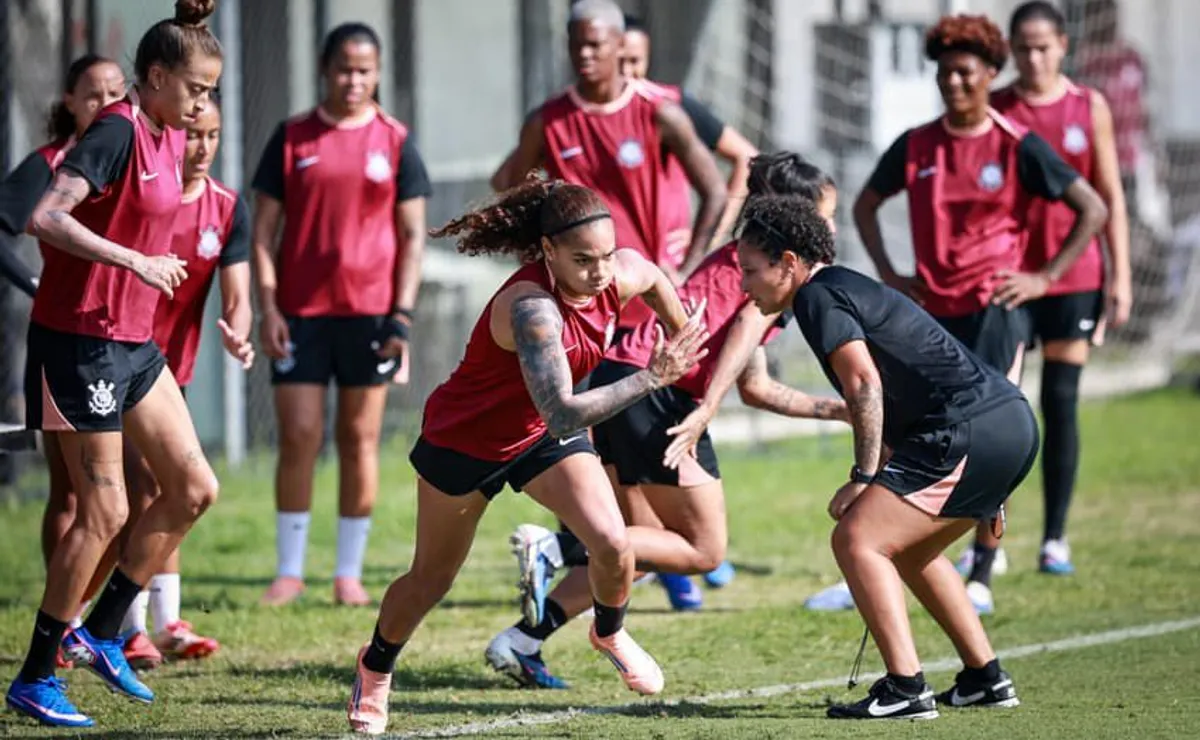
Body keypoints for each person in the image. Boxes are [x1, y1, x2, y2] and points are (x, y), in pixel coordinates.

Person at [345, 179, 709, 734]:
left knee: (612, 542)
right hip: (468, 441)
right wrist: (654, 376)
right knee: (431, 580)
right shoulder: (533, 311)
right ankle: (374, 669)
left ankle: (608, 631)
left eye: (606, 255)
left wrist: (681, 335)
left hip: (538, 433)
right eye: (583, 260)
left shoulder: (619, 272)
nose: (600, 271)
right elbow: (564, 410)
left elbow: (655, 276)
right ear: (548, 253)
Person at [485, 153, 848, 690]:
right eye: (826, 213)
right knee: (704, 550)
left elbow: (755, 385)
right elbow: (743, 332)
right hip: (657, 393)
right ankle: (556, 548)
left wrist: (841, 411)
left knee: (643, 550)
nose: (831, 226)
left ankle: (522, 641)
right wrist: (703, 410)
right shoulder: (767, 272)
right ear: (793, 217)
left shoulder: (745, 263)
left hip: (624, 382)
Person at [3, 0, 223, 728]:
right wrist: (134, 260)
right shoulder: (115, 132)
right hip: (80, 341)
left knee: (193, 487)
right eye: (195, 89)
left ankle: (101, 632)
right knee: (104, 510)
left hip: (134, 343)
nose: (203, 105)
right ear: (155, 78)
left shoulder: (165, 130)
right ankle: (36, 676)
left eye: (210, 91)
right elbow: (46, 216)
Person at [738, 192, 1037, 720]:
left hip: (967, 430)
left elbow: (864, 385)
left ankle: (905, 688)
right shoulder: (843, 286)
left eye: (750, 269)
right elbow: (904, 387)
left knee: (855, 540)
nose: (744, 282)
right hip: (1006, 424)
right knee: (909, 551)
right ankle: (984, 678)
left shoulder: (816, 297)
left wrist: (863, 476)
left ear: (788, 262)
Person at [846, 13, 1108, 615]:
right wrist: (891, 272)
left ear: (991, 74)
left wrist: (1043, 277)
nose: (954, 84)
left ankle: (983, 570)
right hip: (931, 316)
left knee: (988, 440)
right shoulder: (917, 144)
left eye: (965, 73)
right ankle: (883, 547)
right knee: (907, 435)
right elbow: (866, 204)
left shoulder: (1017, 144)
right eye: (944, 74)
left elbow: (1089, 206)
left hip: (994, 313)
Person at [251, 22, 431, 607]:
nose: (354, 80)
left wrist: (401, 316)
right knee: (300, 436)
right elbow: (262, 235)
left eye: (365, 69)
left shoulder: (397, 142)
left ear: (376, 72)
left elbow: (412, 237)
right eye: (344, 69)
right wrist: (268, 307)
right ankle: (289, 570)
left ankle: (348, 574)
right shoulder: (291, 138)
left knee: (360, 438)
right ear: (324, 70)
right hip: (301, 315)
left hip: (372, 316)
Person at [977, 1, 1131, 577]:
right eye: (1023, 48)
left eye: (1043, 46)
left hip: (1076, 278)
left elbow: (1108, 194)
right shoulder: (997, 109)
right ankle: (989, 537)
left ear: (1063, 45)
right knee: (999, 409)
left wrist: (1121, 278)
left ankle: (1055, 537)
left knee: (1060, 406)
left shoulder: (1087, 106)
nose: (1033, 57)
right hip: (1012, 281)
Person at [116, 97, 252, 665]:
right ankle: (120, 626)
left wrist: (238, 331)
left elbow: (239, 293)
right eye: (194, 134)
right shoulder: (149, 199)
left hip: (173, 368)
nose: (203, 148)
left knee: (166, 489)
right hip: (116, 354)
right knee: (127, 492)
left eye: (214, 136)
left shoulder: (225, 207)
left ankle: (158, 622)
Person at [492, 0, 726, 329]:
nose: (584, 54)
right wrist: (537, 270)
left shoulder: (658, 113)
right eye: (576, 45)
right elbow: (513, 196)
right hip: (577, 309)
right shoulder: (547, 122)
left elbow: (715, 190)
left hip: (646, 304)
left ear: (618, 44)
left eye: (594, 44)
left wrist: (688, 268)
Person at [0, 53, 125, 584]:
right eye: (91, 95)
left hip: (128, 337)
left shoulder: (136, 153)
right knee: (73, 491)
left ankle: (128, 621)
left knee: (144, 489)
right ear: (69, 102)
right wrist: (34, 283)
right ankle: (63, 613)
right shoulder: (51, 163)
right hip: (68, 337)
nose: (104, 105)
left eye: (115, 94)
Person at [619, 13, 759, 259]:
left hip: (665, 264)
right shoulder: (573, 115)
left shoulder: (669, 106)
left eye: (635, 61)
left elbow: (746, 156)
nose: (626, 72)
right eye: (619, 61)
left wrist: (709, 236)